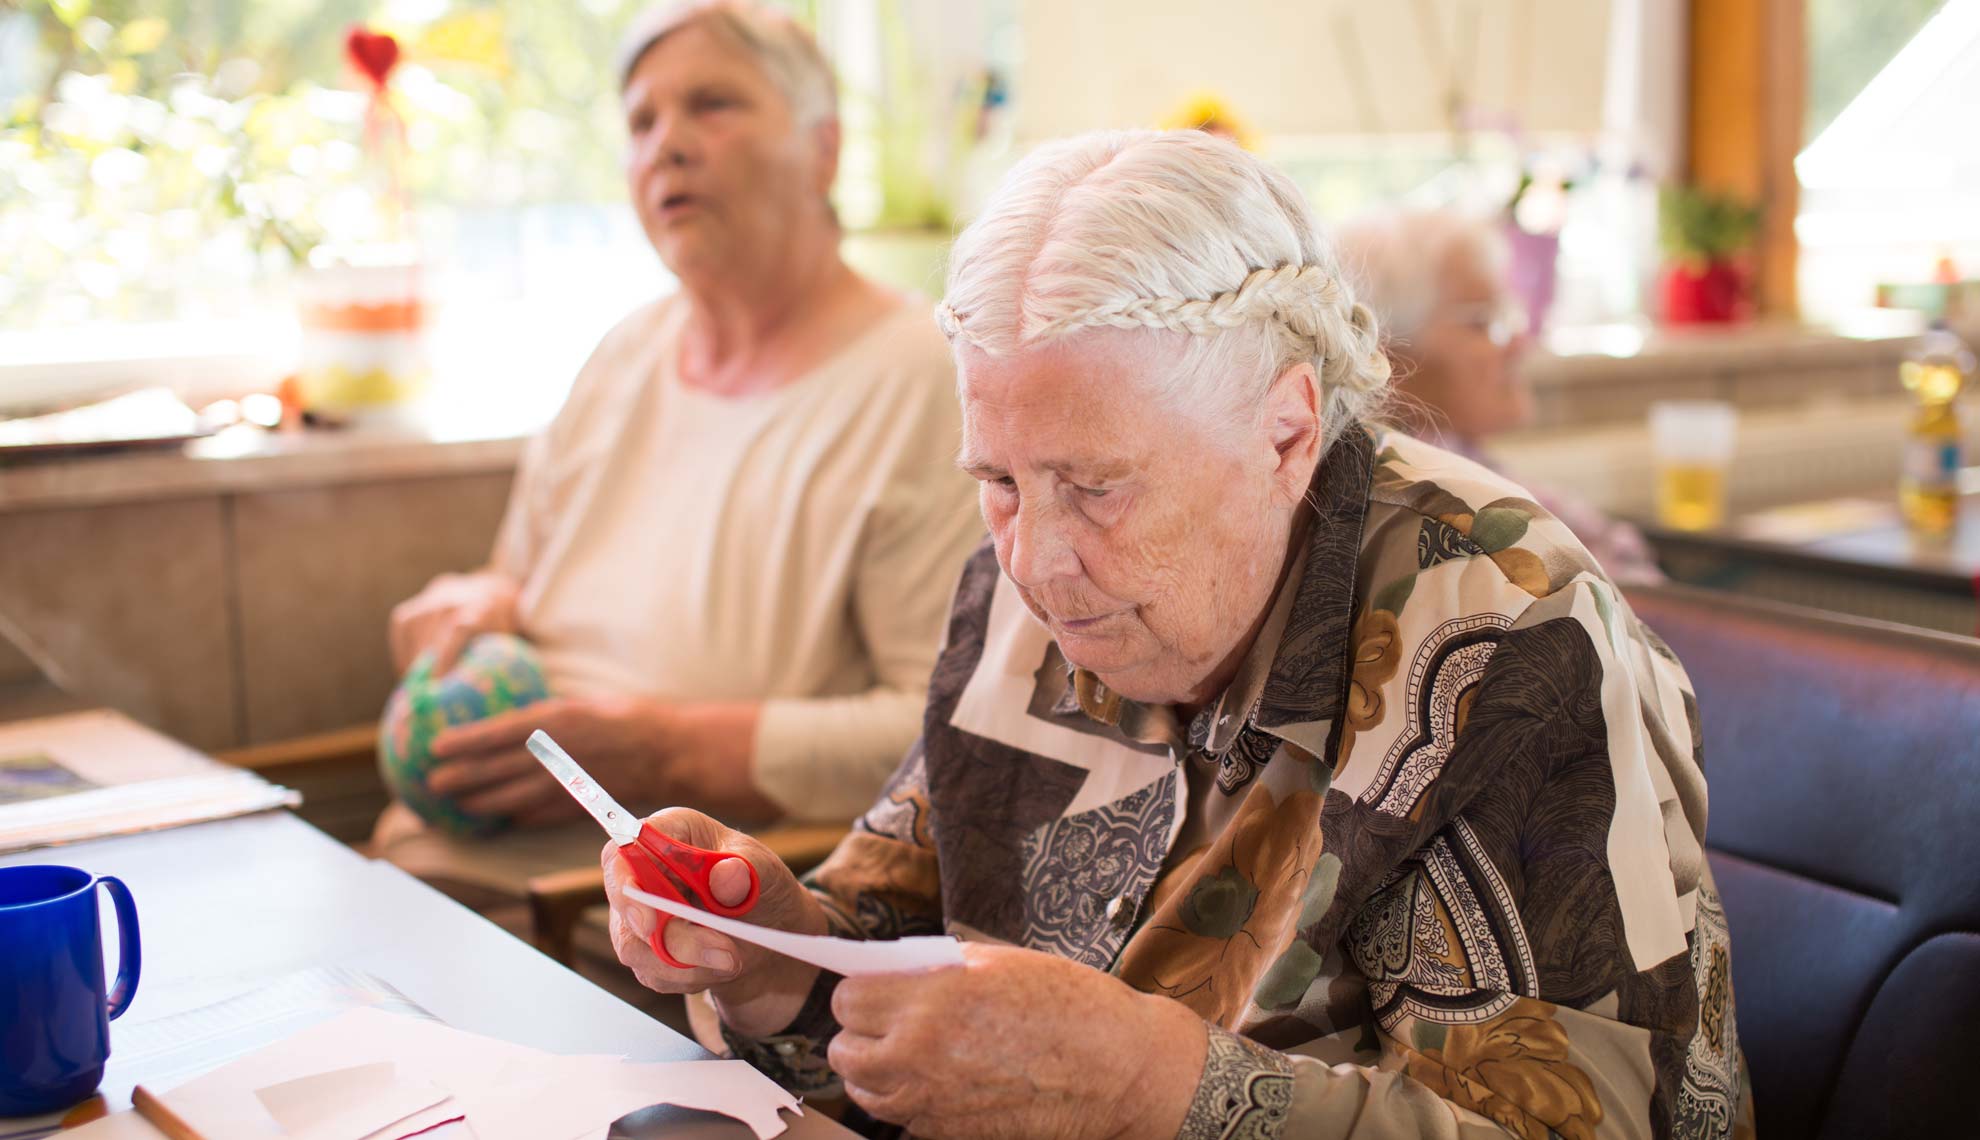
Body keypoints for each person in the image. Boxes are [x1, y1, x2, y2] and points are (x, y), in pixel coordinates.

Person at [602, 130, 1750, 1139]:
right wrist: (770, 959)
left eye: (1098, 487)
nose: (1036, 565)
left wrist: (1153, 1091)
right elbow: (890, 944)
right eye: (998, 480)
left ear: (1288, 432)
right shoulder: (1016, 588)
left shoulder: (1501, 647)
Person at [371, 0, 981, 897]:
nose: (669, 144)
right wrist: (476, 602)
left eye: (714, 105)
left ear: (825, 149)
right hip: (429, 873)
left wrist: (668, 752)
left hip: (623, 919)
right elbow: (519, 582)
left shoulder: (922, 380)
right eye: (642, 121)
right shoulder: (623, 352)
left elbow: (946, 733)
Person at [1335, 207, 1662, 584]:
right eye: (1482, 321)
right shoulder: (1444, 508)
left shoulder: (1460, 466)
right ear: (1384, 353)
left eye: (1506, 315)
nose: (1519, 343)